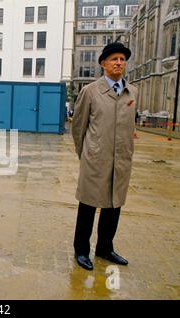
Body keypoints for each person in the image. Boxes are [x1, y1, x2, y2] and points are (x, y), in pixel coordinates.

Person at [71, 42, 138, 271]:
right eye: (114, 59)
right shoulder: (90, 91)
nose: (119, 63)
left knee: (113, 206)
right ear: (103, 64)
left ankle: (105, 248)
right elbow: (78, 128)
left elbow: (130, 126)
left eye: (122, 59)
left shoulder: (132, 92)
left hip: (121, 160)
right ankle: (81, 250)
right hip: (95, 160)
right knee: (88, 207)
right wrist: (87, 153)